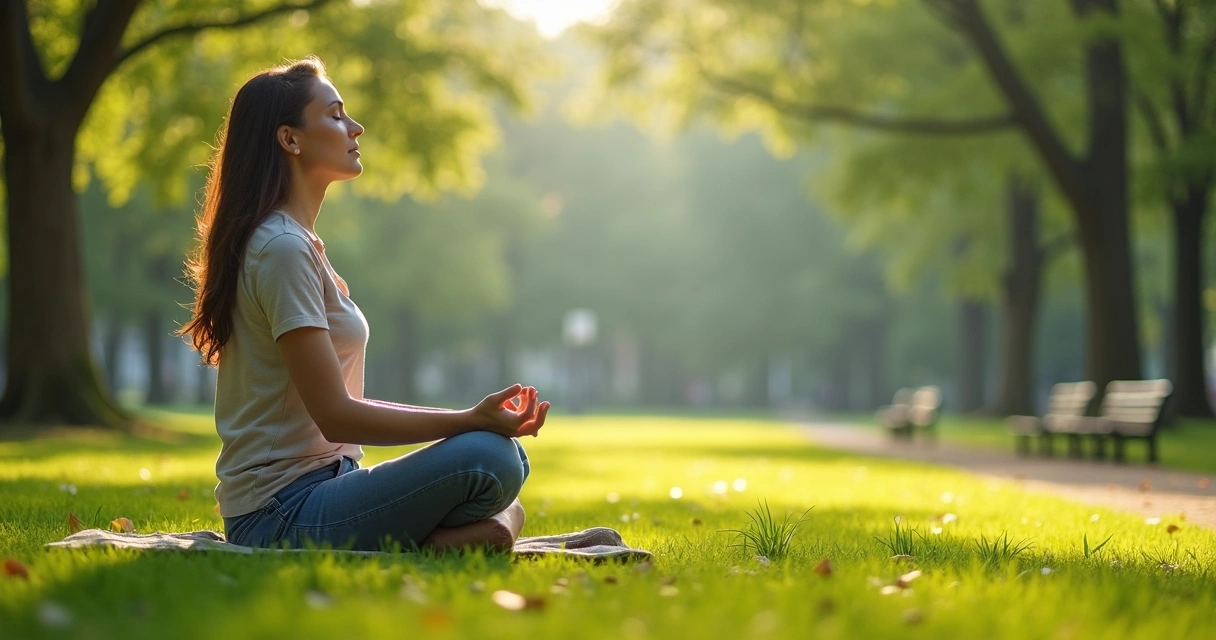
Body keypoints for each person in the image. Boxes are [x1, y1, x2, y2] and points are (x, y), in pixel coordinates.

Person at [178, 57, 550, 552]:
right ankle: (450, 537)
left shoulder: (297, 244)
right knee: (491, 458)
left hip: (332, 485)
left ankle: (456, 536)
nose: (356, 127)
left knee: (507, 458)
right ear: (290, 139)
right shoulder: (281, 249)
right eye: (335, 115)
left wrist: (472, 423)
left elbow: (342, 410)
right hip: (278, 513)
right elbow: (337, 415)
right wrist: (468, 420)